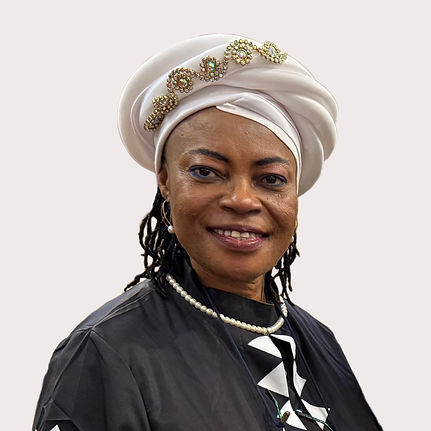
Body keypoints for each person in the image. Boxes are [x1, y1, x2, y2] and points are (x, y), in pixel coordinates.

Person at [33, 34, 383, 431]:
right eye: (206, 172)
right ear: (165, 180)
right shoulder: (105, 354)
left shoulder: (319, 341)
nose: (242, 200)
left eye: (271, 179)